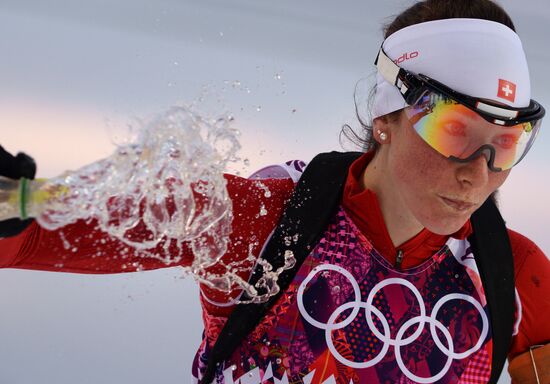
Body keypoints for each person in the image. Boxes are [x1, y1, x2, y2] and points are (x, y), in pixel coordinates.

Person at [0, 0, 549, 383]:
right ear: (388, 115)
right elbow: (23, 242)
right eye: (455, 131)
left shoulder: (516, 277)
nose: (478, 174)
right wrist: (12, 206)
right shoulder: (257, 222)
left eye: (504, 144)